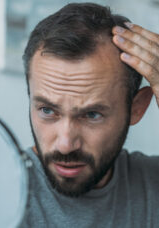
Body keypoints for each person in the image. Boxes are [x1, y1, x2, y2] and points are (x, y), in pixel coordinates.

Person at [20, 2, 159, 227]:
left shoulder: (152, 187)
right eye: (47, 111)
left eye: (92, 115)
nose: (66, 144)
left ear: (137, 108)